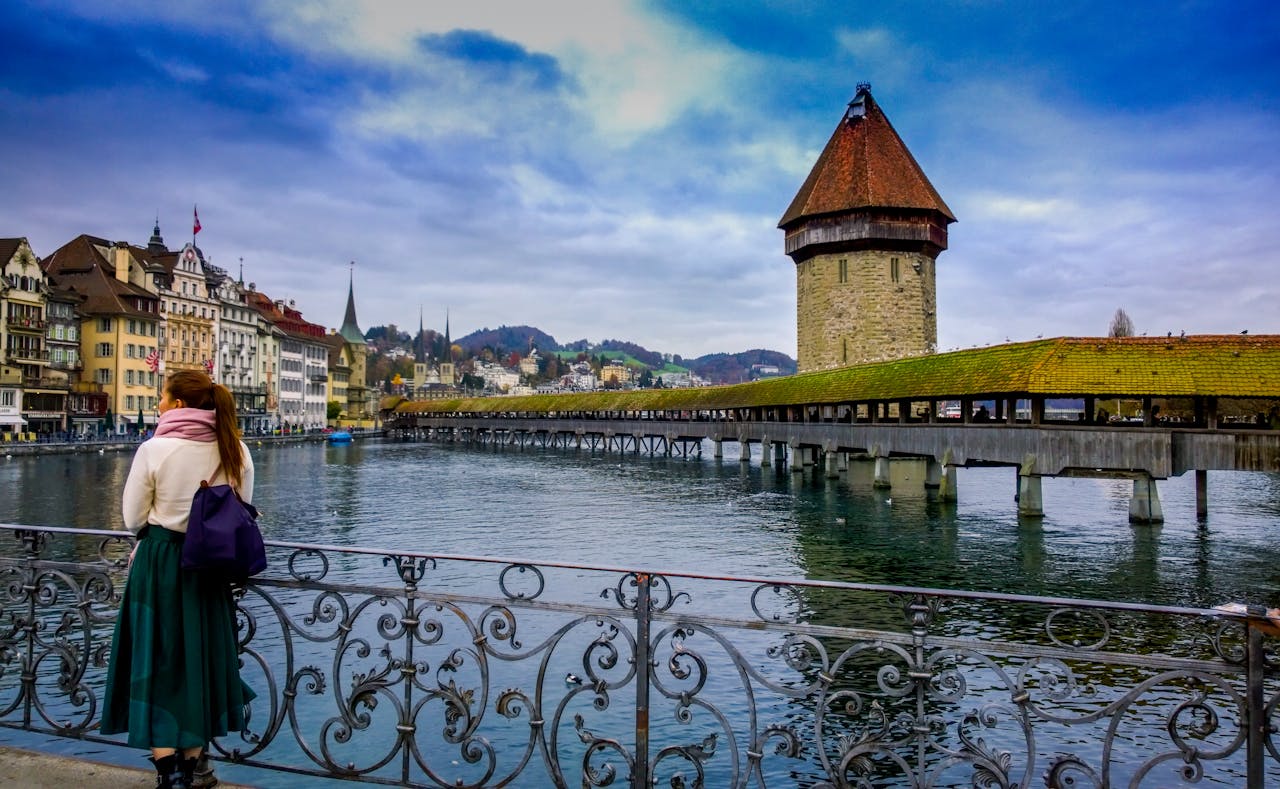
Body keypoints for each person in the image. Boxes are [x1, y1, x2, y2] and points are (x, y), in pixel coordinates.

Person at [101, 371, 256, 789]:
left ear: (177, 404)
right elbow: (243, 511)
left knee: (157, 661)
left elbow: (134, 518)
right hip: (210, 569)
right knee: (197, 661)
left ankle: (168, 773)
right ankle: (192, 769)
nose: (159, 404)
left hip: (162, 564)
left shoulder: (155, 448)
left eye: (163, 397)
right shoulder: (235, 449)